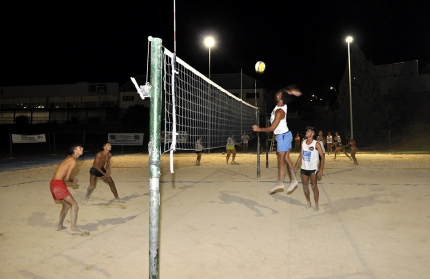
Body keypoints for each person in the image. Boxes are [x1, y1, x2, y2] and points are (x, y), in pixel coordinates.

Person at [252, 85, 302, 194]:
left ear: (282, 99)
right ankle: (293, 180)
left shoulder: (280, 112)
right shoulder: (281, 104)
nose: (277, 95)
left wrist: (259, 129)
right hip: (286, 134)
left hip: (283, 136)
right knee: (287, 158)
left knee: (281, 159)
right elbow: (282, 92)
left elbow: (272, 128)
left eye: (279, 95)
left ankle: (280, 182)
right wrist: (291, 91)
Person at [50, 143, 88, 235]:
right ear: (75, 150)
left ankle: (59, 226)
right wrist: (72, 180)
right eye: (80, 148)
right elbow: (67, 178)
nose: (82, 148)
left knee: (66, 205)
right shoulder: (73, 160)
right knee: (74, 205)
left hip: (53, 183)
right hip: (58, 184)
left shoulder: (69, 157)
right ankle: (73, 229)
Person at [294, 126, 325, 211]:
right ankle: (308, 201)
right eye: (306, 131)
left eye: (308, 131)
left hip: (313, 169)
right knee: (305, 187)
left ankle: (316, 204)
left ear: (313, 134)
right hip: (304, 168)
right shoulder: (303, 142)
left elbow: (322, 157)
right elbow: (301, 155)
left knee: (314, 186)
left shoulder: (316, 144)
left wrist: (321, 169)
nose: (306, 132)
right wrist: (296, 165)